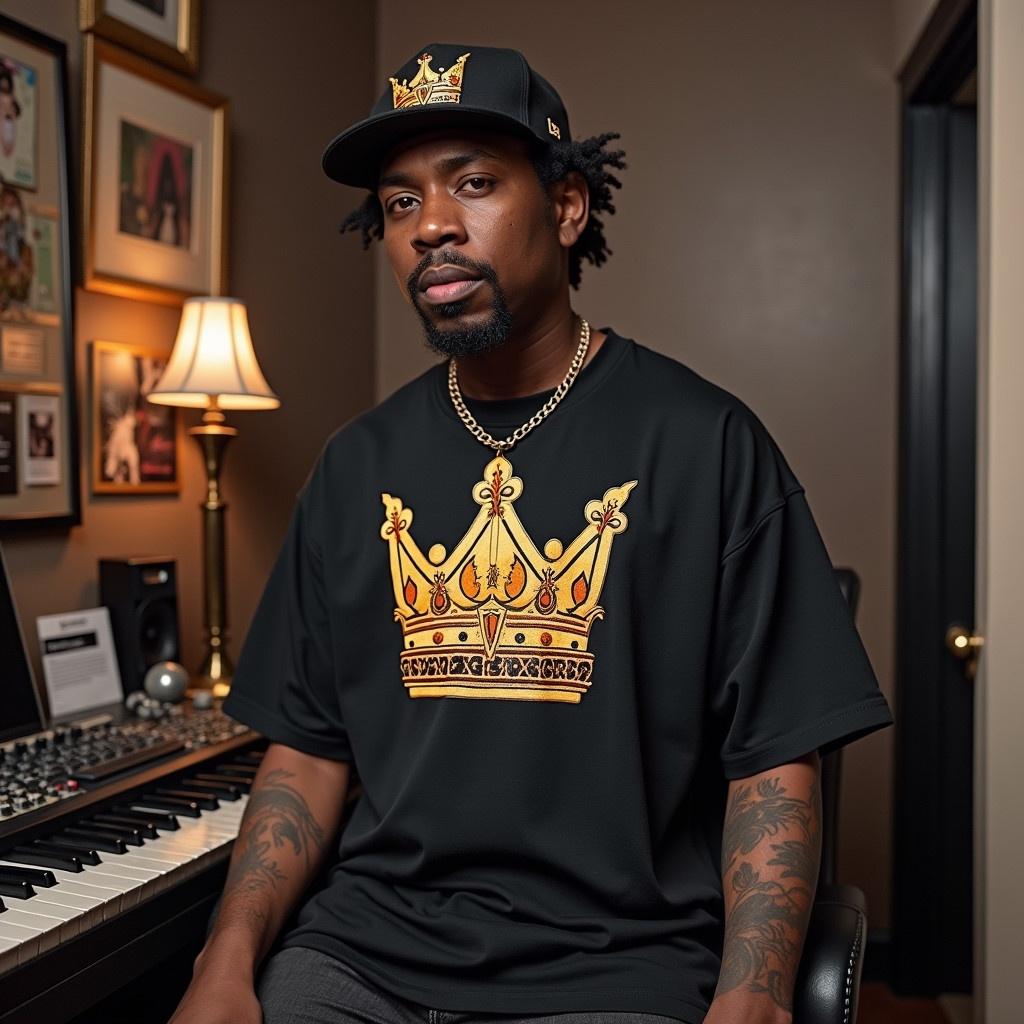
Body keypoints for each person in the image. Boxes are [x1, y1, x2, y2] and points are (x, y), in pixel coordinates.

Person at [169, 43, 894, 1024]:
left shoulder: (706, 443)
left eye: (472, 183)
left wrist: (755, 994)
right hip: (360, 961)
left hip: (614, 974)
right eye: (397, 202)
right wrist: (224, 962)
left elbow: (770, 762)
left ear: (564, 206)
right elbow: (306, 754)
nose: (429, 226)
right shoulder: (354, 468)